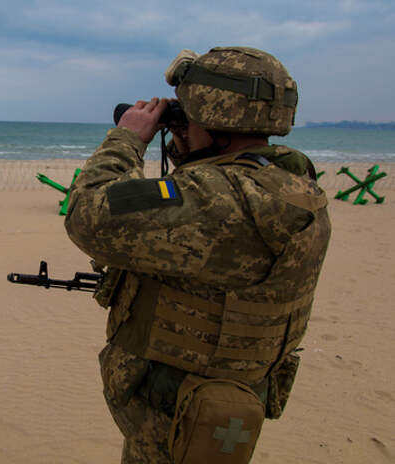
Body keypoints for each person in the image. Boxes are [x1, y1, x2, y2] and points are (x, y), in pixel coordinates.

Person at [64, 46, 331, 463]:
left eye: (187, 116)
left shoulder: (213, 200)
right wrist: (189, 140)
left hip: (172, 417)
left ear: (213, 116)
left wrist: (128, 138)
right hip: (221, 410)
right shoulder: (294, 186)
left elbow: (87, 214)